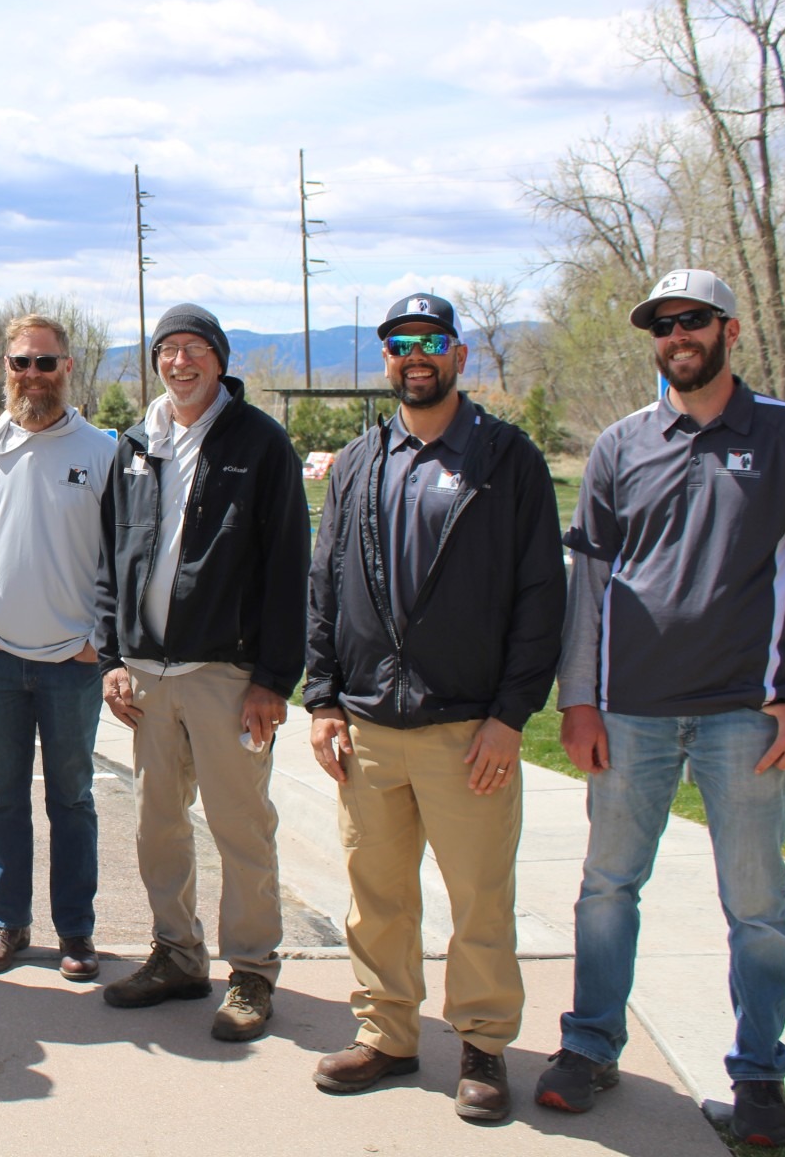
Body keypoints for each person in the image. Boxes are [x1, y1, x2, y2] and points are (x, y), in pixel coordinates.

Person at [537, 269, 785, 1148]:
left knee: (757, 904)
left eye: (694, 320)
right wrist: (580, 701)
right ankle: (590, 1045)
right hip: (629, 714)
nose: (678, 335)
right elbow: (590, 582)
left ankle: (758, 1076)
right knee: (606, 889)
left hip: (746, 715)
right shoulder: (621, 444)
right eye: (663, 325)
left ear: (729, 329)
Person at [303, 293, 566, 1123]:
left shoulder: (507, 459)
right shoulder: (359, 461)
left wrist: (511, 715)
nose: (413, 355)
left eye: (430, 341)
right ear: (385, 360)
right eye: (397, 343)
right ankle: (387, 1034)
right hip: (370, 724)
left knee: (479, 897)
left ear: (458, 355)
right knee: (375, 894)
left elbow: (539, 596)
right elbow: (325, 585)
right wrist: (323, 698)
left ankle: (483, 1044)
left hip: (466, 728)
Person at [93, 302, 309, 1041]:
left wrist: (273, 680)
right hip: (148, 675)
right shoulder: (134, 447)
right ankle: (177, 955)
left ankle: (251, 971)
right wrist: (114, 658)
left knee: (241, 826)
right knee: (158, 825)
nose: (179, 362)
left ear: (219, 360)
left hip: (227, 673)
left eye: (194, 350)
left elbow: (289, 570)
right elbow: (110, 563)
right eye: (167, 350)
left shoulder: (261, 445)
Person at [0, 313, 115, 981]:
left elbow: (122, 557)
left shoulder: (100, 453)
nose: (33, 376)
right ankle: (6, 924)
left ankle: (76, 933)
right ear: (5, 370)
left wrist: (97, 641)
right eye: (21, 363)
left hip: (73, 663)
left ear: (68, 367)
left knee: (71, 800)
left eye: (46, 362)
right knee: (4, 797)